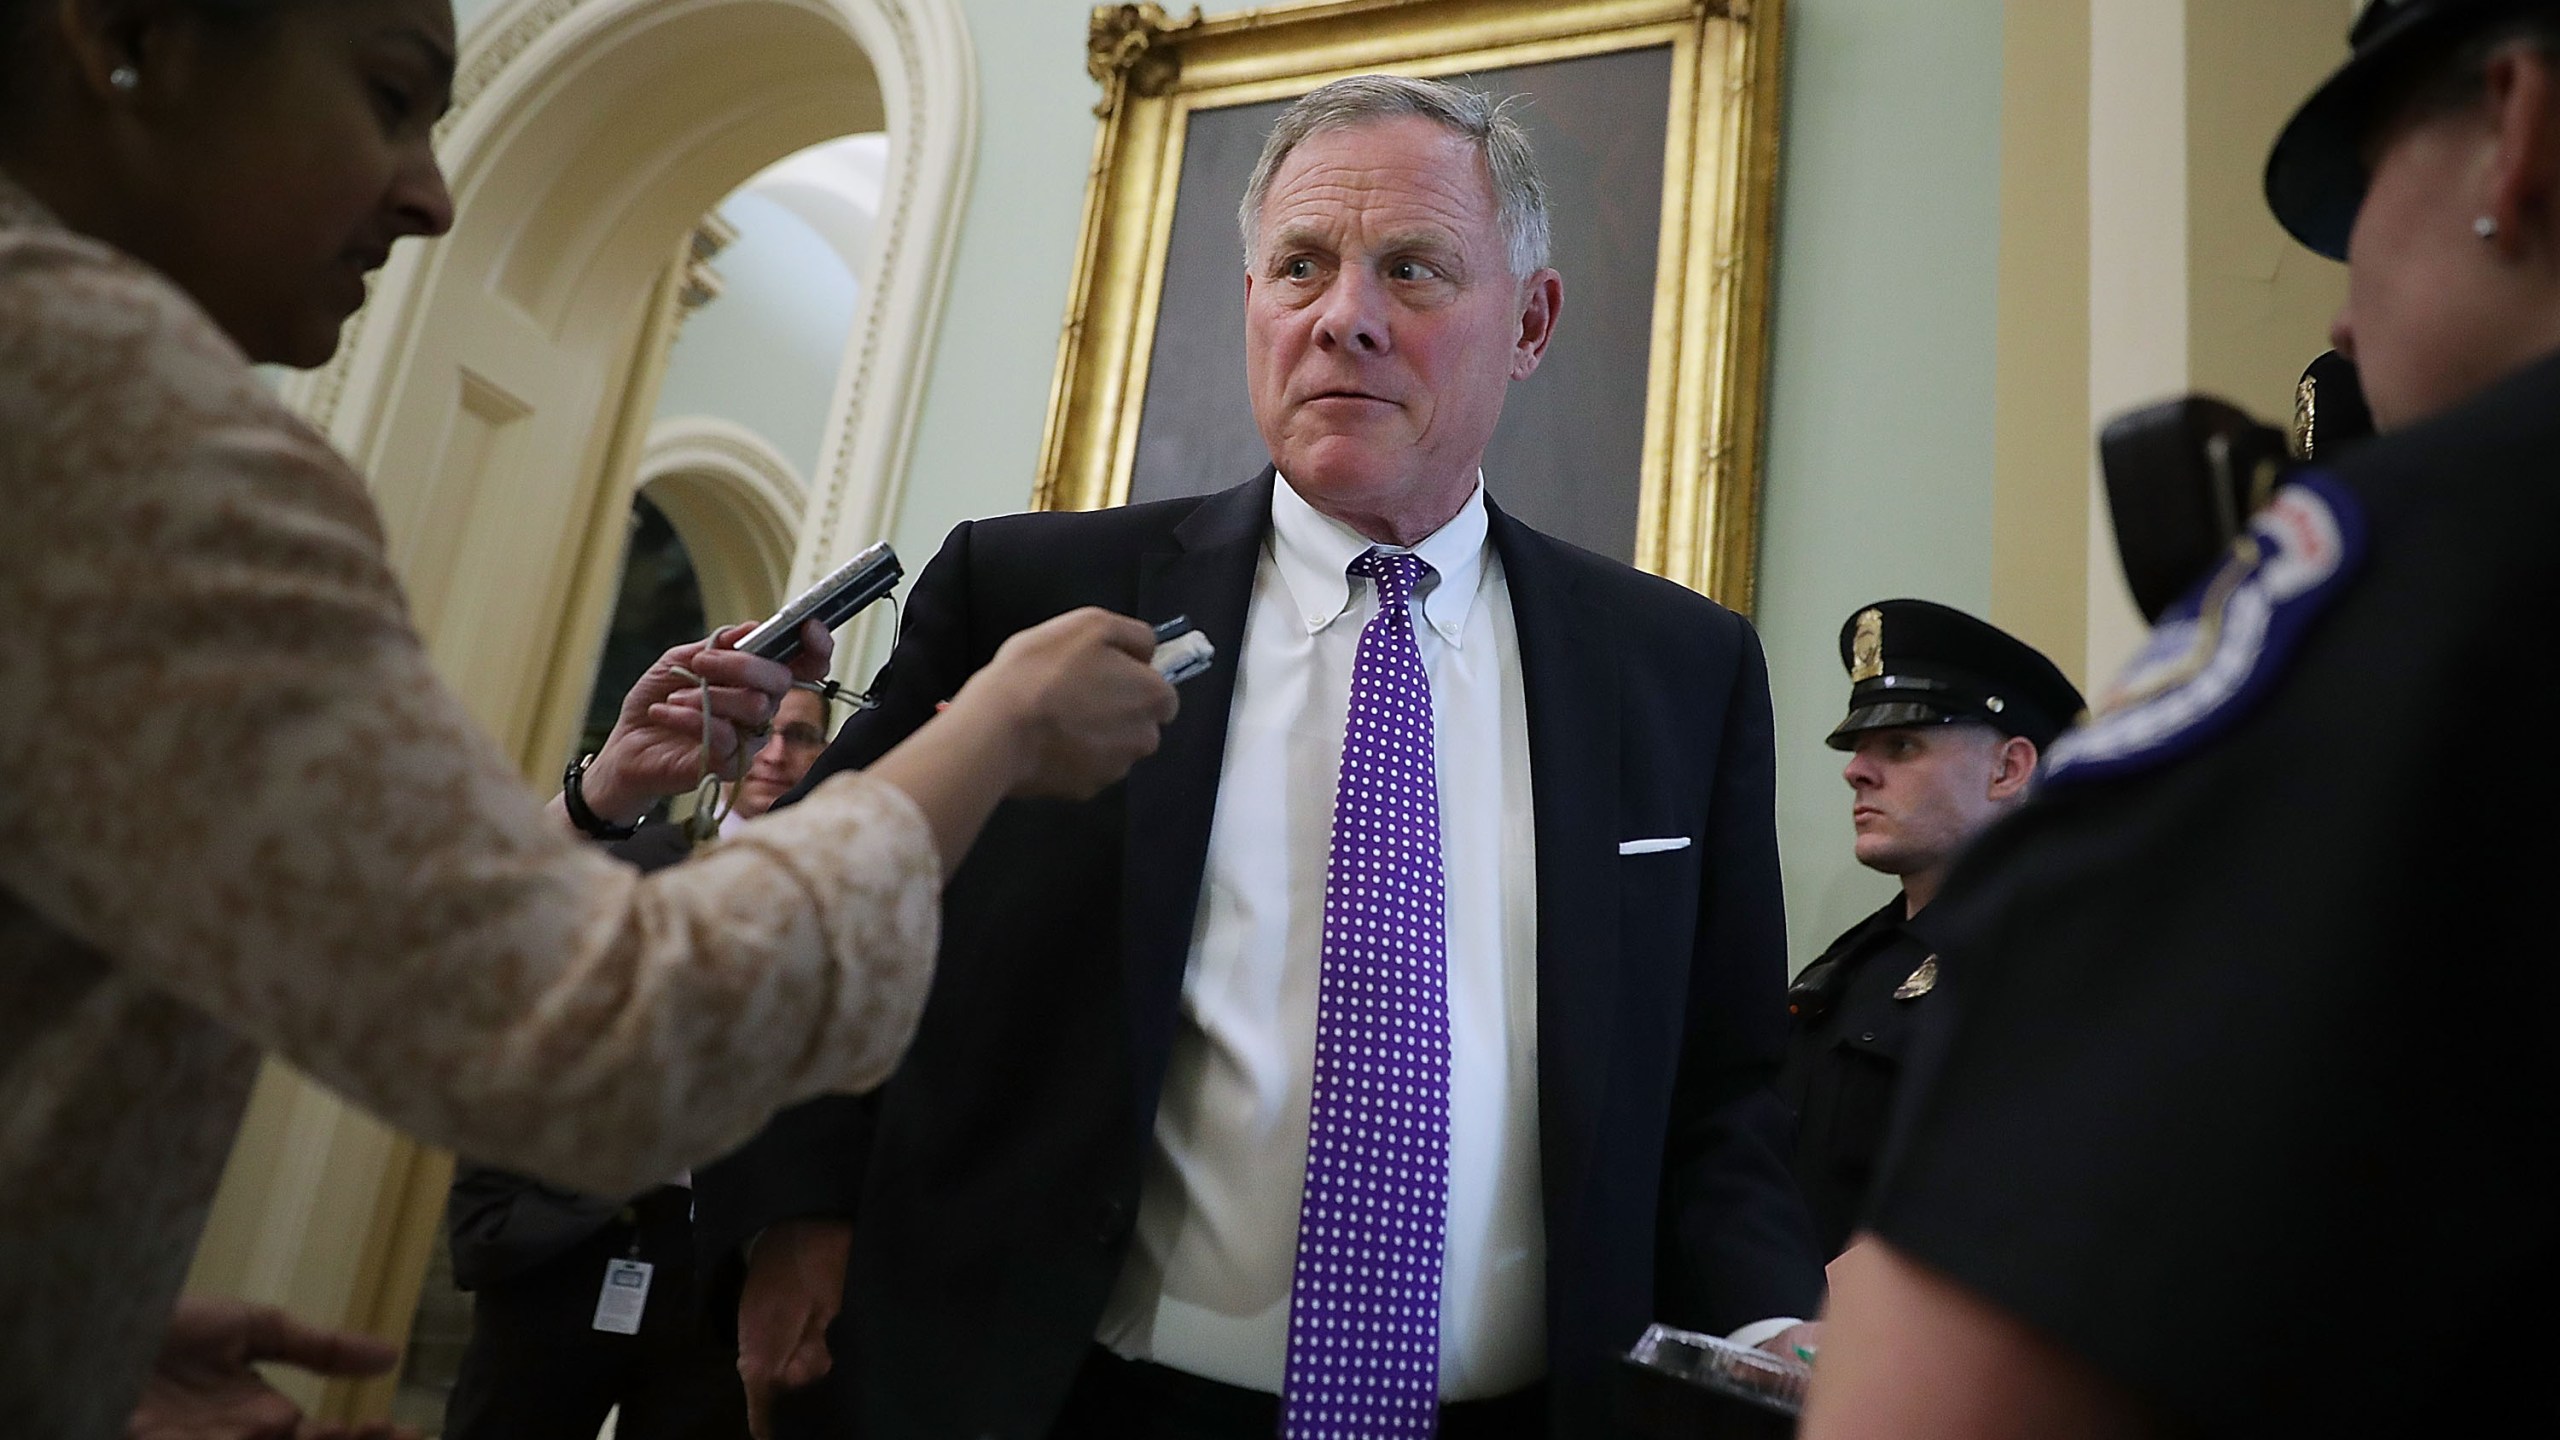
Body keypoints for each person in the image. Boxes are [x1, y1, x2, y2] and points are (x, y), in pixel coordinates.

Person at [0, 1, 1179, 1434]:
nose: (433, 190)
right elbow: (612, 1042)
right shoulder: (115, 422)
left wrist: (63, 1328)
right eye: (387, 97)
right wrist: (992, 731)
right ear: (126, 37)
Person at [693, 73, 1825, 1440]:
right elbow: (824, 921)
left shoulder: (1679, 669)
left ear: (1529, 322)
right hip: (1075, 1396)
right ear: (1254, 304)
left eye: (1411, 269)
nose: (1344, 315)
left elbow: (1722, 1083)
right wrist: (792, 1214)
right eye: (1300, 265)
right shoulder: (1032, 593)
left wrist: (1773, 1321)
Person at [1801, 1, 2560, 1435]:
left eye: (2363, 196)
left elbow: (1940, 1393)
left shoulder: (2387, 593)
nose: (2337, 308)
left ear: (2516, 126)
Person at [438, 683, 848, 1440]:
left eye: (802, 738)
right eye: (765, 734)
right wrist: (497, 1207)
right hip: (563, 1234)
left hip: (720, 1265)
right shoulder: (628, 856)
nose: (778, 756)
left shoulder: (843, 903)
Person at [1775, 600, 2079, 1261]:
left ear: (2009, 769)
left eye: (1902, 745)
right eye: (1859, 748)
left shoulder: (2061, 961)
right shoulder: (1852, 965)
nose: (1856, 770)